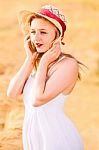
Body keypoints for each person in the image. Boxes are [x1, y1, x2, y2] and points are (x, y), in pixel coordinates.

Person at [7, 5, 84, 150]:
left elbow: (38, 99)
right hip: (34, 137)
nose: (36, 37)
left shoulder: (68, 64)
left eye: (43, 32)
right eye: (33, 32)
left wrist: (43, 63)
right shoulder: (36, 65)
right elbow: (12, 93)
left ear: (58, 37)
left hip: (57, 138)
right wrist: (30, 59)